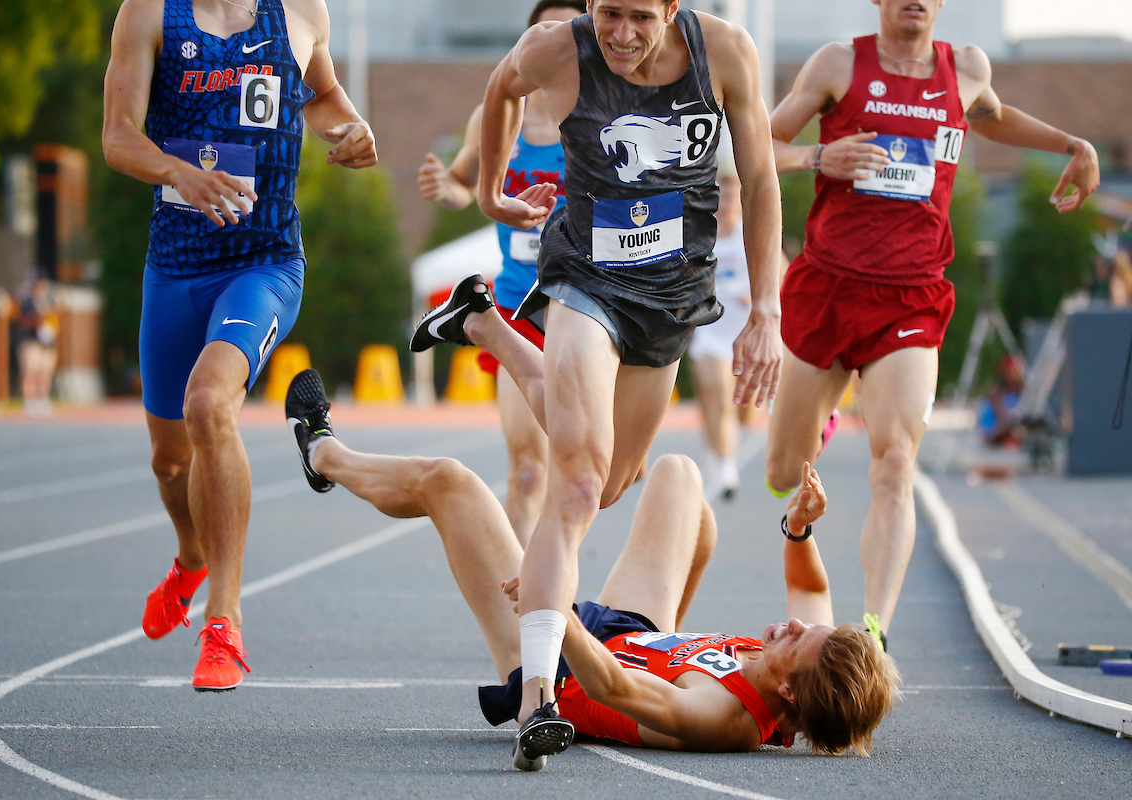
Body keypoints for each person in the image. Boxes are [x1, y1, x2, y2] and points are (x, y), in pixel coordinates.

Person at [409, 1, 784, 764]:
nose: (621, 33)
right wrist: (489, 196)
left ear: (672, 9)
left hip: (673, 297)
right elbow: (499, 88)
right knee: (575, 485)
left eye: (640, 17)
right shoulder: (555, 48)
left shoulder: (729, 54)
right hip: (584, 278)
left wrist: (768, 309)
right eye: (608, 13)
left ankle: (481, 324)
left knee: (612, 480)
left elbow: (765, 178)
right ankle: (538, 698)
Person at [284, 368, 899, 770]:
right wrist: (799, 526)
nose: (790, 625)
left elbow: (615, 688)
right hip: (636, 635)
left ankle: (324, 454)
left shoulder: (724, 718)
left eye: (796, 639)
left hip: (566, 668)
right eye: (804, 627)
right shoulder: (801, 662)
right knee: (680, 477)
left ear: (788, 692)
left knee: (449, 482)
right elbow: (811, 587)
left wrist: (553, 609)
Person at [764, 0, 1100, 651]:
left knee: (895, 462)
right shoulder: (838, 63)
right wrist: (816, 157)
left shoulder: (966, 68)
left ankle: (872, 634)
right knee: (783, 470)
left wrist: (1073, 143)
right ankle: (824, 417)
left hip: (911, 297)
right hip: (829, 287)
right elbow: (756, 146)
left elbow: (995, 117)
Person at [102, 0, 376, 691]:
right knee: (170, 462)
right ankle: (191, 555)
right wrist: (177, 172)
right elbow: (116, 137)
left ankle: (223, 622)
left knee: (209, 405)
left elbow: (322, 97)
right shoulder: (150, 14)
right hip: (175, 268)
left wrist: (351, 130)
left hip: (265, 263)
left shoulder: (301, 12)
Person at [416, 0, 586, 545]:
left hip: (587, 306)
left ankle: (553, 588)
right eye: (543, 32)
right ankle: (514, 594)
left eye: (567, 32)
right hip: (517, 305)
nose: (553, 43)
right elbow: (467, 180)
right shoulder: (498, 112)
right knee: (530, 468)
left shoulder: (600, 113)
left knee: (585, 470)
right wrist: (451, 189)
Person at [686, 171, 755, 500]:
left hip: (743, 336)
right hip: (710, 333)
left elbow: (782, 281)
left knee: (740, 411)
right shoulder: (702, 239)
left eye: (732, 196)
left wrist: (756, 297)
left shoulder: (751, 237)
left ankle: (719, 451)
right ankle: (725, 465)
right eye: (721, 196)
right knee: (716, 396)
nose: (726, 203)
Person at [15, 274, 59, 417]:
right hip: (31, 342)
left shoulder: (49, 301)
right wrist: (39, 318)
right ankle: (29, 401)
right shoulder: (26, 302)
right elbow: (22, 321)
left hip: (46, 343)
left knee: (44, 374)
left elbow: (55, 320)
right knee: (29, 373)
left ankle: (42, 400)